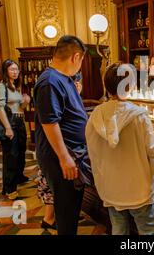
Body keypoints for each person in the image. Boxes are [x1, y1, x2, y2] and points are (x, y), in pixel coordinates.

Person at [86, 62, 154, 235]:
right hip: (137, 187)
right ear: (131, 86)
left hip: (111, 185)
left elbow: (93, 149)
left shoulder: (96, 115)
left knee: (118, 229)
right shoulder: (139, 116)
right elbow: (153, 149)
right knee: (147, 230)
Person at [34, 35, 89, 235]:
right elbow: (50, 122)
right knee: (66, 209)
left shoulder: (63, 78)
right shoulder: (50, 81)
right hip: (61, 156)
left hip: (72, 153)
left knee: (71, 207)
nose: (80, 65)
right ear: (76, 57)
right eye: (81, 60)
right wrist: (64, 157)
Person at [0, 59, 30, 200]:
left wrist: (25, 102)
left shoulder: (16, 86)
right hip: (10, 122)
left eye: (17, 69)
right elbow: (0, 107)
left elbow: (20, 108)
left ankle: (19, 177)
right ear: (6, 71)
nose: (15, 72)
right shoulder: (1, 86)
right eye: (12, 69)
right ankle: (9, 188)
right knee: (11, 155)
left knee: (21, 152)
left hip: (20, 121)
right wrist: (8, 127)